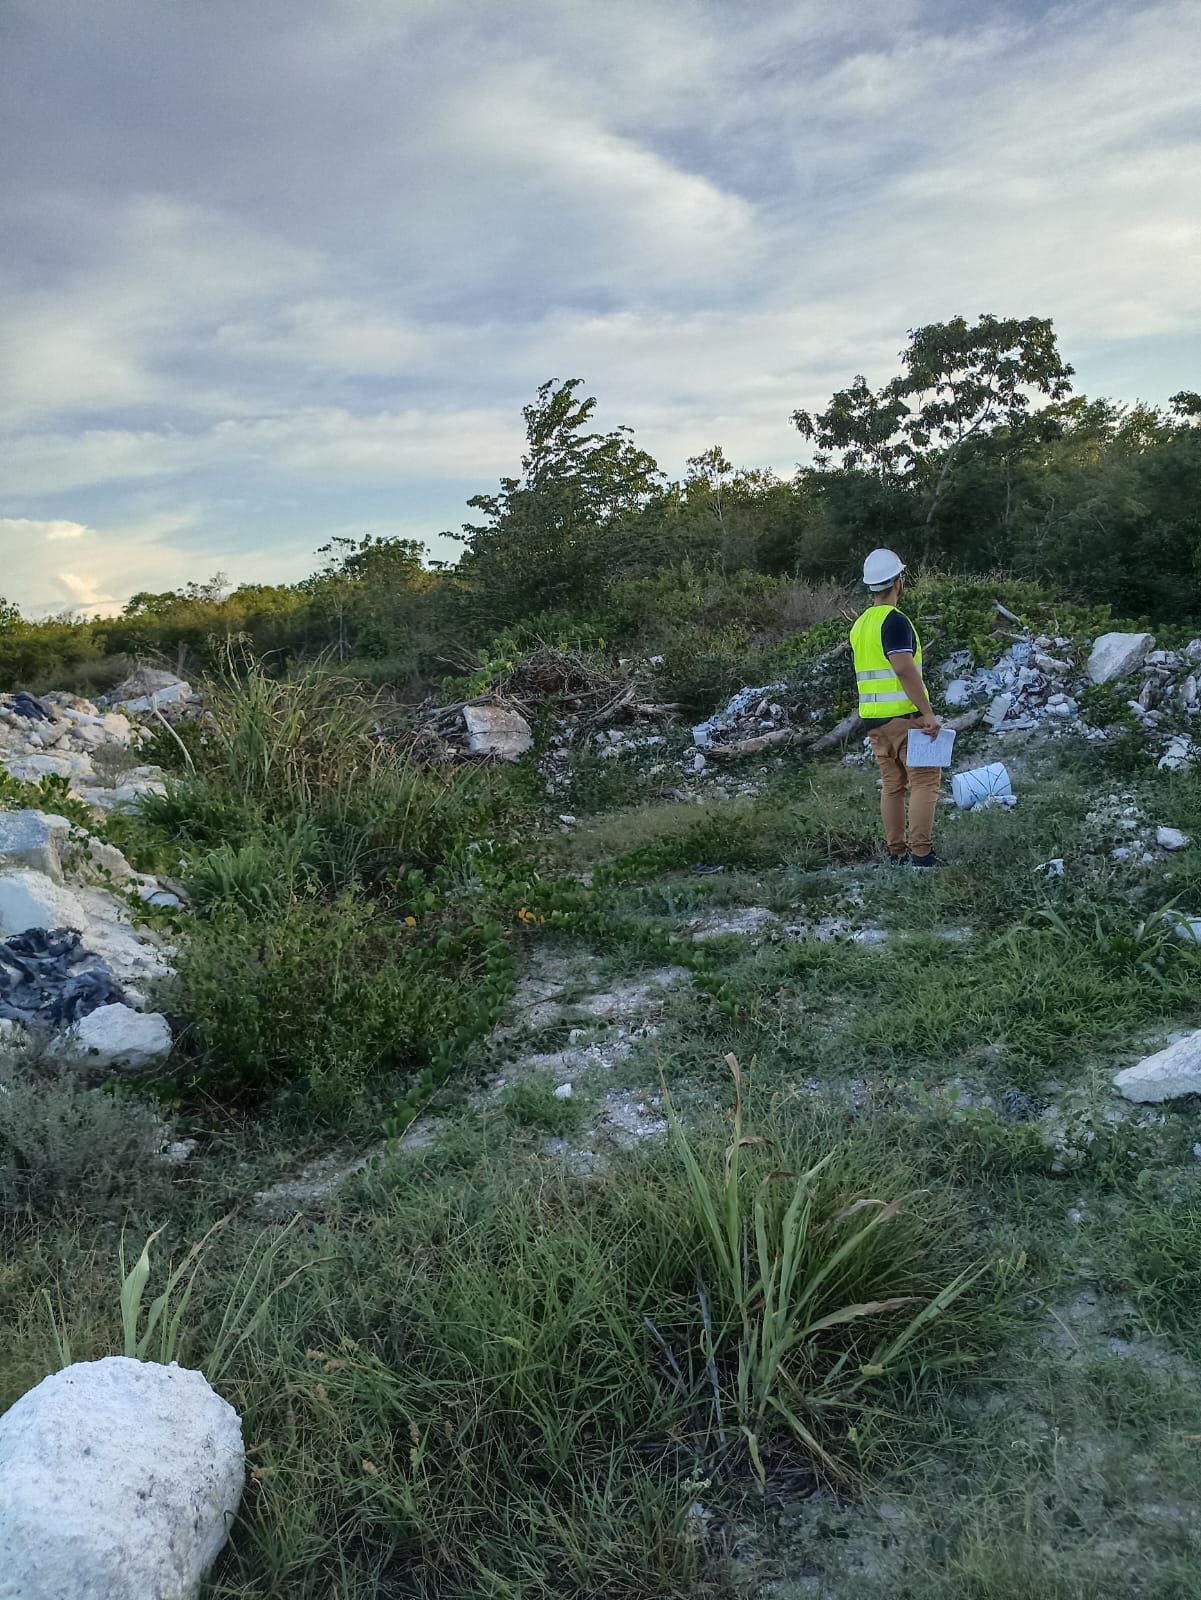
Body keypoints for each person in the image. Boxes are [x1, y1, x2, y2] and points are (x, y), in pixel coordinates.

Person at [849, 549, 943, 867]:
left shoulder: (860, 625)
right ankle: (922, 856)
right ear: (898, 581)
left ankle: (897, 853)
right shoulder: (894, 621)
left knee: (892, 785)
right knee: (925, 781)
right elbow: (903, 668)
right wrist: (927, 713)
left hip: (873, 719)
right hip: (905, 716)